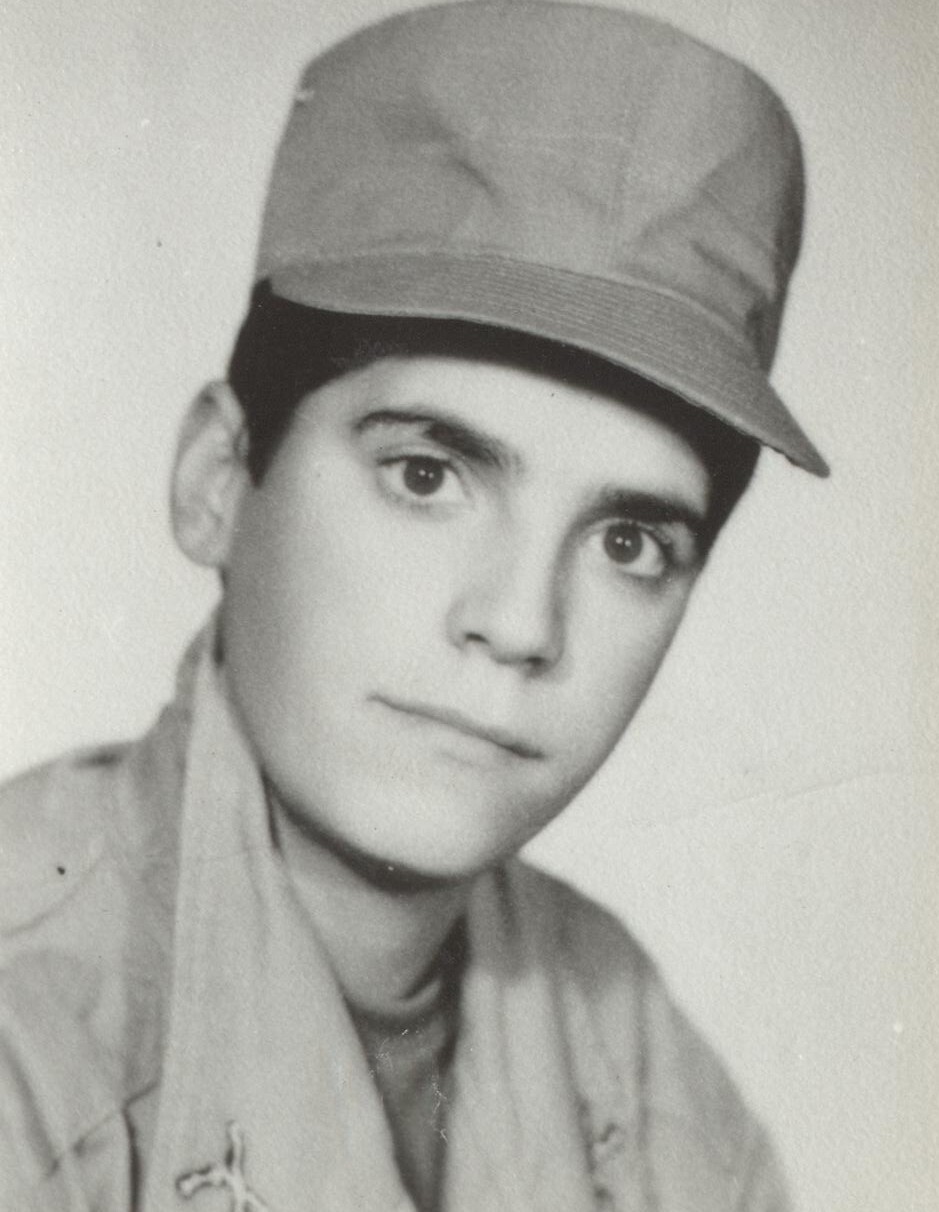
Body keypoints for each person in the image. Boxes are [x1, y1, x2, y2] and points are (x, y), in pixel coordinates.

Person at [0, 2, 829, 1209]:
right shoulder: (29, 1051)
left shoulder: (638, 1062)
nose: (523, 624)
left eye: (628, 541)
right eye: (427, 476)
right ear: (219, 480)